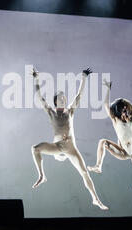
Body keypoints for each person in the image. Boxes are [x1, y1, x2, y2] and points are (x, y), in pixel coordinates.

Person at [31, 67, 108, 210]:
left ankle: (95, 199)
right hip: (58, 147)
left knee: (84, 172)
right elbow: (40, 98)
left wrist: (84, 77)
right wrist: (36, 79)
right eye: (60, 98)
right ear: (55, 102)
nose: (63, 99)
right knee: (35, 149)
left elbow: (79, 95)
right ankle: (42, 176)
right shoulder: (51, 112)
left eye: (64, 97)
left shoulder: (70, 111)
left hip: (71, 148)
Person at [87, 80, 132, 213]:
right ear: (118, 112)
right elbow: (105, 105)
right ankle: (98, 166)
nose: (125, 111)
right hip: (122, 152)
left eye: (126, 109)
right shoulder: (115, 120)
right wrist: (107, 88)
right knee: (102, 141)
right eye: (122, 110)